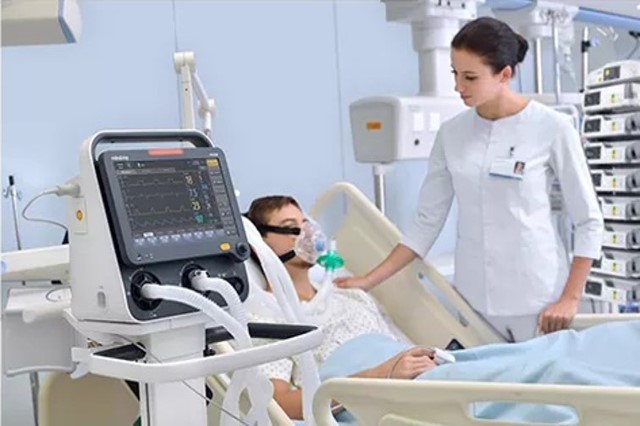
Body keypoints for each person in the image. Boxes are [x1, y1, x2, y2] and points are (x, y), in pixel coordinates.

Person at [336, 16, 604, 342]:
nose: (458, 86)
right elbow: (426, 222)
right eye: (455, 74)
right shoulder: (452, 134)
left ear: (504, 74)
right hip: (474, 301)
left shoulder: (552, 127)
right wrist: (369, 279)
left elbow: (588, 220)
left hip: (539, 298)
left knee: (540, 377)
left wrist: (570, 298)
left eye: (470, 77)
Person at [245, 195, 436, 420]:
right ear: (259, 246)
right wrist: (378, 376)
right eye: (291, 227)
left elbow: (397, 351)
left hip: (427, 380)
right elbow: (278, 405)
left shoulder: (351, 296)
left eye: (305, 224)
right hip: (389, 404)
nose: (307, 234)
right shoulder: (268, 320)